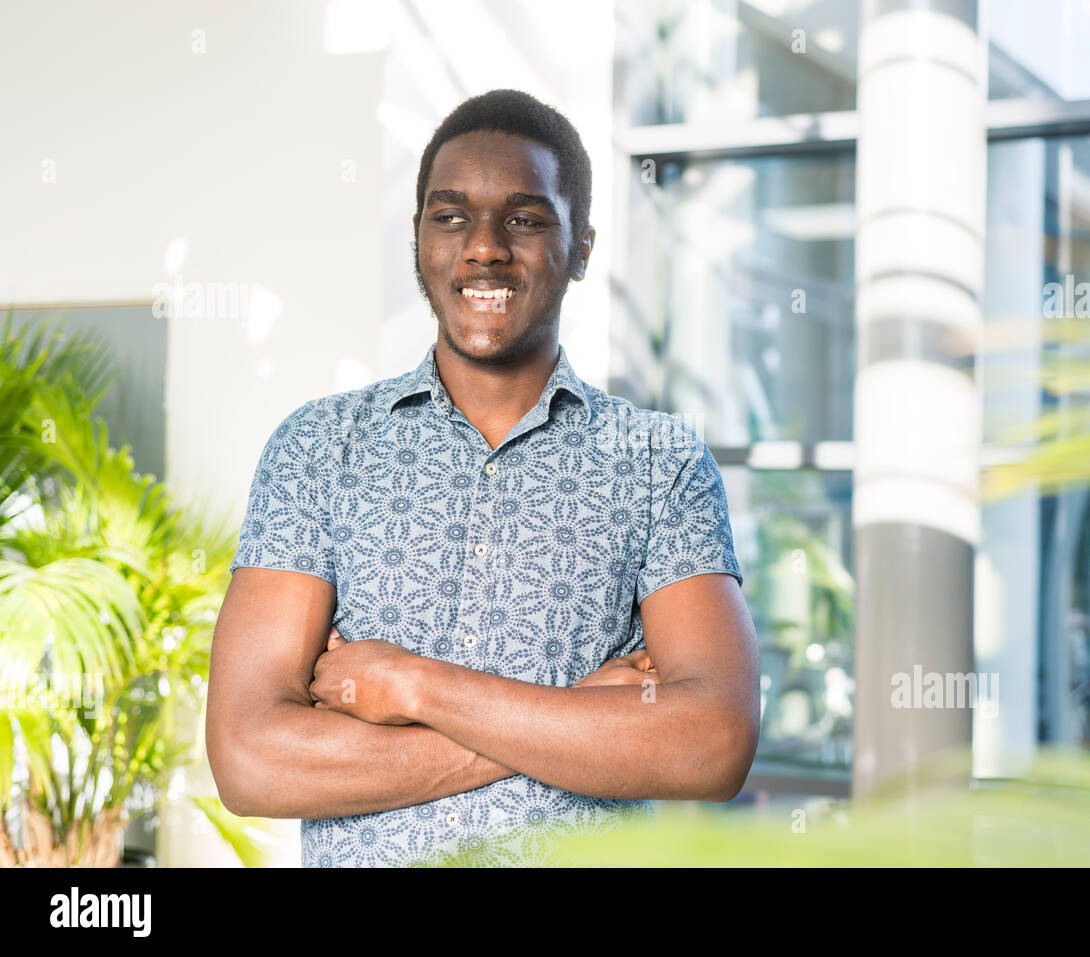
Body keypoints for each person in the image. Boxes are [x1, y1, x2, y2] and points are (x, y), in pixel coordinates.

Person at [206, 88, 760, 867]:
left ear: (584, 247)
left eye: (526, 219)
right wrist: (571, 720)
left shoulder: (657, 462)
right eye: (452, 214)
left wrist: (411, 684)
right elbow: (251, 758)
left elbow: (713, 744)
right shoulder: (319, 447)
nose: (485, 246)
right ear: (419, 238)